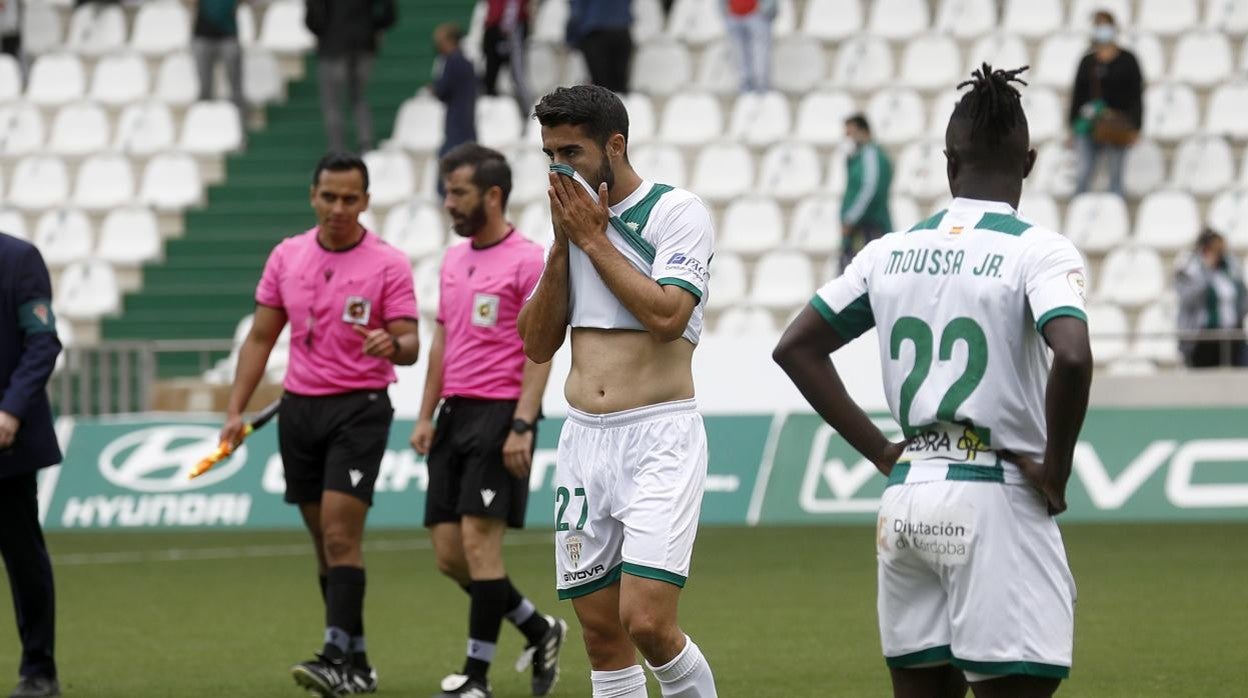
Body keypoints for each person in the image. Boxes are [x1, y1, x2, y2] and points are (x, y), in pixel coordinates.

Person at [774, 64, 1093, 698]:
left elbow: (796, 347)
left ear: (949, 163)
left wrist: (884, 451)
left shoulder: (888, 251)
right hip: (994, 496)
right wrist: (1055, 470)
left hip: (908, 498)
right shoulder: (1039, 250)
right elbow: (1075, 356)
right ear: (1027, 162)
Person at [520, 85, 719, 698]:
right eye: (549, 154)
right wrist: (562, 246)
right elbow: (535, 342)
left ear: (615, 145)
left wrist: (592, 240)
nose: (559, 168)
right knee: (602, 635)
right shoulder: (571, 229)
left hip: (658, 435)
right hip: (583, 444)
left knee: (648, 621)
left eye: (571, 152)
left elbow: (666, 317)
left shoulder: (677, 211)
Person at [220, 152, 420, 697]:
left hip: (359, 408)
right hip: (298, 411)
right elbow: (261, 338)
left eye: (349, 198)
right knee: (323, 545)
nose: (338, 207)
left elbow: (410, 344)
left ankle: (334, 655)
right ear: (313, 196)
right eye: (328, 197)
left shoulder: (388, 263)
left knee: (339, 533)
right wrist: (236, 409)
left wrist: (391, 343)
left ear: (366, 202)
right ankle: (356, 663)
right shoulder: (287, 256)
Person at [411, 144, 567, 698]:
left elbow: (540, 346)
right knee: (451, 557)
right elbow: (442, 342)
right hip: (454, 416)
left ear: (493, 195)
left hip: (501, 414)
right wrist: (426, 413)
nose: (448, 203)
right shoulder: (453, 260)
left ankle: (475, 678)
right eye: (447, 192)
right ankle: (537, 627)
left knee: (481, 548)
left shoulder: (528, 260)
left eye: (458, 193)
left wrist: (523, 423)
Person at [0, 232, 62, 698]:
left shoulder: (19, 259)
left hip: (7, 443)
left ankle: (39, 669)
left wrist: (11, 410)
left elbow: (42, 342)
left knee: (23, 558)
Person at [305, 0, 397, 153]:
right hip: (364, 44)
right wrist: (374, 27)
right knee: (358, 97)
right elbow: (389, 10)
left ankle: (337, 150)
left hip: (332, 46)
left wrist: (322, 32)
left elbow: (314, 12)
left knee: (332, 101)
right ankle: (366, 144)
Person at [1069, 10, 1143, 198]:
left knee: (1115, 176)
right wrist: (1072, 127)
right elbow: (1077, 95)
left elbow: (1136, 95)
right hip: (1089, 125)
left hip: (1117, 126)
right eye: (1098, 25)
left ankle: (1116, 212)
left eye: (1105, 25)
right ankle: (1077, 208)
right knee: (1083, 172)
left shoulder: (1128, 60)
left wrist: (1136, 126)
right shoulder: (1087, 61)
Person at [1176, 228, 1248, 368]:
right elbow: (1187, 300)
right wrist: (1206, 273)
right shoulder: (1190, 270)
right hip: (1204, 338)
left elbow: (1242, 297)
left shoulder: (1230, 268)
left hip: (1231, 336)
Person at [841, 114, 893, 271]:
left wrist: (850, 218)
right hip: (865, 228)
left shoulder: (869, 155)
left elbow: (869, 190)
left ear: (862, 130)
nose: (848, 138)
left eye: (850, 133)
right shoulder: (862, 155)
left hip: (868, 229)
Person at [433, 22, 478, 198]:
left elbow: (442, 90)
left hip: (456, 124)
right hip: (467, 122)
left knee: (448, 165)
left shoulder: (451, 61)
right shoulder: (467, 62)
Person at [192, 0, 246, 121]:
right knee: (204, 88)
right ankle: (203, 123)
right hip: (202, 36)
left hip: (228, 35)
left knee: (235, 89)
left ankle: (240, 125)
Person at [566, 0, 633, 95]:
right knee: (620, 87)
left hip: (595, 34)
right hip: (622, 31)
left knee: (602, 89)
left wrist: (571, 39)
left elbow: (576, 13)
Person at [481, 0, 532, 121]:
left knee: (517, 75)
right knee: (490, 76)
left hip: (510, 30)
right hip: (494, 28)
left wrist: (506, 28)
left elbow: (513, 5)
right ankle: (491, 119)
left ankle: (528, 113)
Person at [722, 0, 776, 93]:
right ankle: (745, 87)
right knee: (739, 54)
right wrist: (725, 10)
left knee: (760, 52)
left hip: (757, 15)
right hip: (734, 15)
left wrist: (764, 9)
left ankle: (761, 87)